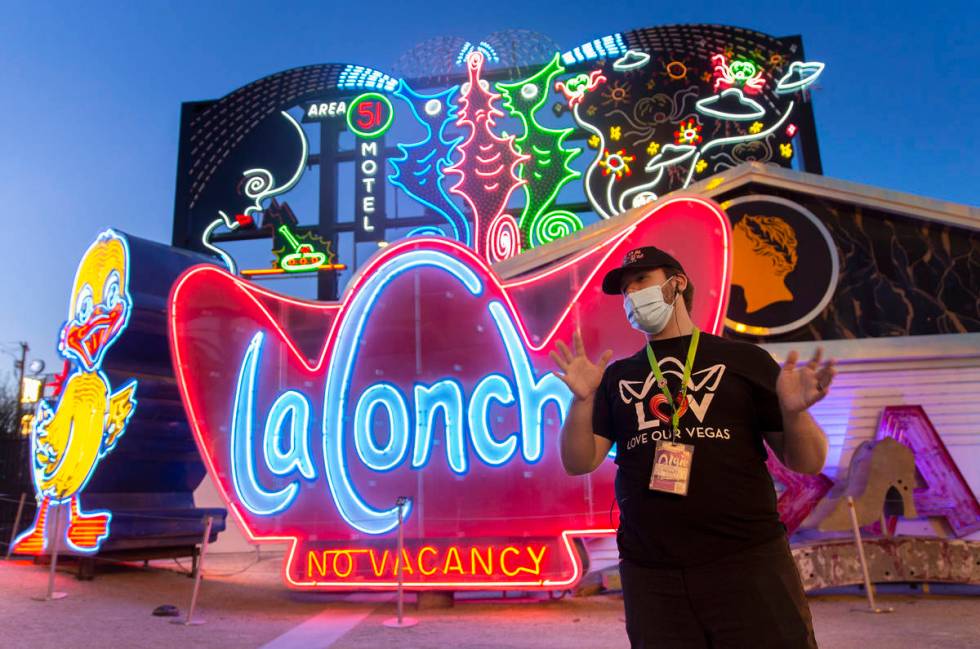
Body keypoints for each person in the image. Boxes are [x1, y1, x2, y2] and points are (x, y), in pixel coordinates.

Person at [550, 246, 836, 649]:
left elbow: (807, 461)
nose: (632, 295)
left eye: (641, 281)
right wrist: (581, 402)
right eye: (626, 290)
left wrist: (795, 413)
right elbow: (578, 461)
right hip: (652, 574)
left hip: (747, 563)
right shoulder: (618, 376)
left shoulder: (744, 360)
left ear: (677, 284)